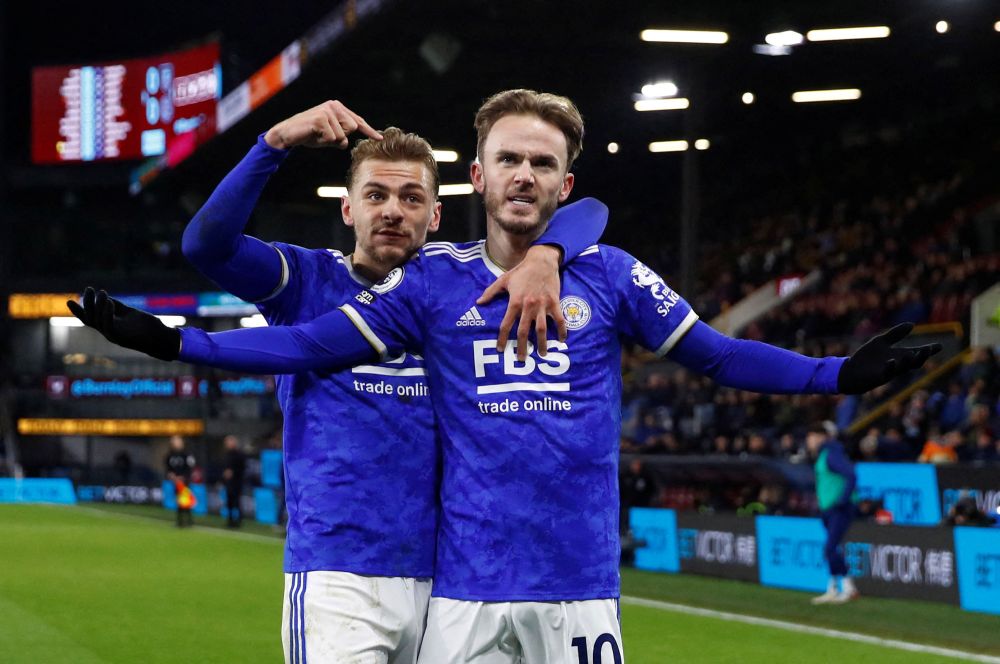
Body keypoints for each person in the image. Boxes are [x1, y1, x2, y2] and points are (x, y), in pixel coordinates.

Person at [71, 88, 939, 662]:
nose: (525, 174)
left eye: (543, 164)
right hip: (447, 585)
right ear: (479, 176)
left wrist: (835, 374)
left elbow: (717, 352)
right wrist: (176, 343)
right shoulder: (424, 285)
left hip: (567, 584)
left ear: (564, 183)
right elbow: (304, 345)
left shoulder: (610, 272)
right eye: (510, 161)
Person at [112, 99, 605, 663]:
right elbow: (207, 245)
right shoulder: (306, 280)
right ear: (347, 209)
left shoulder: (463, 286)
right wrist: (274, 143)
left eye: (411, 198)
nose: (392, 211)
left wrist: (546, 253)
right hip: (337, 572)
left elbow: (589, 210)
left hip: (447, 582)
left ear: (435, 216)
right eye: (375, 195)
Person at [806, 421, 859, 605]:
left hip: (839, 508)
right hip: (828, 508)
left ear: (821, 437)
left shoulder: (831, 455)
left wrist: (842, 500)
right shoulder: (823, 456)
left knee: (830, 547)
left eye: (811, 437)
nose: (808, 441)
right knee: (831, 549)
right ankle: (833, 588)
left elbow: (851, 474)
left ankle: (849, 588)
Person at [165, 435, 196, 528]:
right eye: (174, 442)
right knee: (179, 501)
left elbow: (190, 468)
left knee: (186, 500)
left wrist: (184, 477)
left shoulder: (186, 454)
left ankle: (189, 520)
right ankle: (180, 521)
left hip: (185, 482)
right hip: (175, 482)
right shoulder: (170, 455)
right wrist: (171, 475)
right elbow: (168, 468)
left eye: (177, 441)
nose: (176, 443)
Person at [221, 435, 246, 528]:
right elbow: (224, 468)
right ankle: (230, 520)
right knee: (229, 502)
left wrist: (233, 472)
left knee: (237, 501)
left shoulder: (240, 455)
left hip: (237, 482)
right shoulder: (226, 455)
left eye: (229, 442)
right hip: (229, 483)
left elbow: (243, 468)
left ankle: (239, 520)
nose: (228, 444)